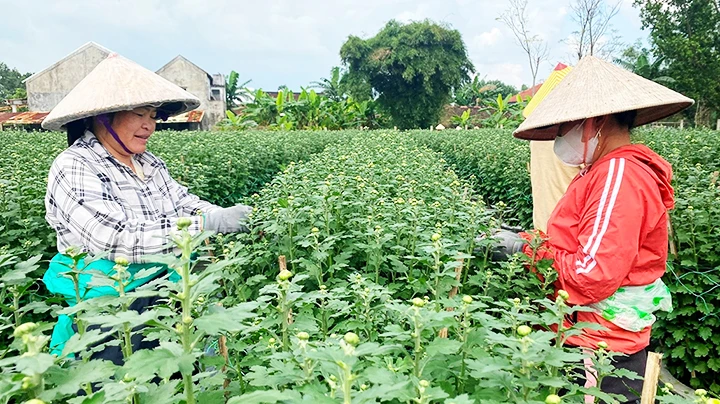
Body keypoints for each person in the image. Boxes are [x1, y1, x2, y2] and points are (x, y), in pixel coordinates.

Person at [497, 55, 694, 403]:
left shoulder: (619, 175)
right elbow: (579, 240)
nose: (560, 136)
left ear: (595, 123)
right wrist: (528, 238)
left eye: (565, 127)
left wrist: (524, 252)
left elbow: (593, 272)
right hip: (592, 337)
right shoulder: (603, 170)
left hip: (600, 348)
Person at [41, 53, 251, 363]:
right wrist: (206, 225)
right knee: (123, 387)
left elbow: (183, 203)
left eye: (153, 116)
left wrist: (224, 214)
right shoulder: (75, 165)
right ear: (102, 117)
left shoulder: (149, 163)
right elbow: (114, 239)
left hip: (166, 294)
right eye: (140, 114)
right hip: (111, 312)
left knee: (181, 379)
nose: (149, 126)